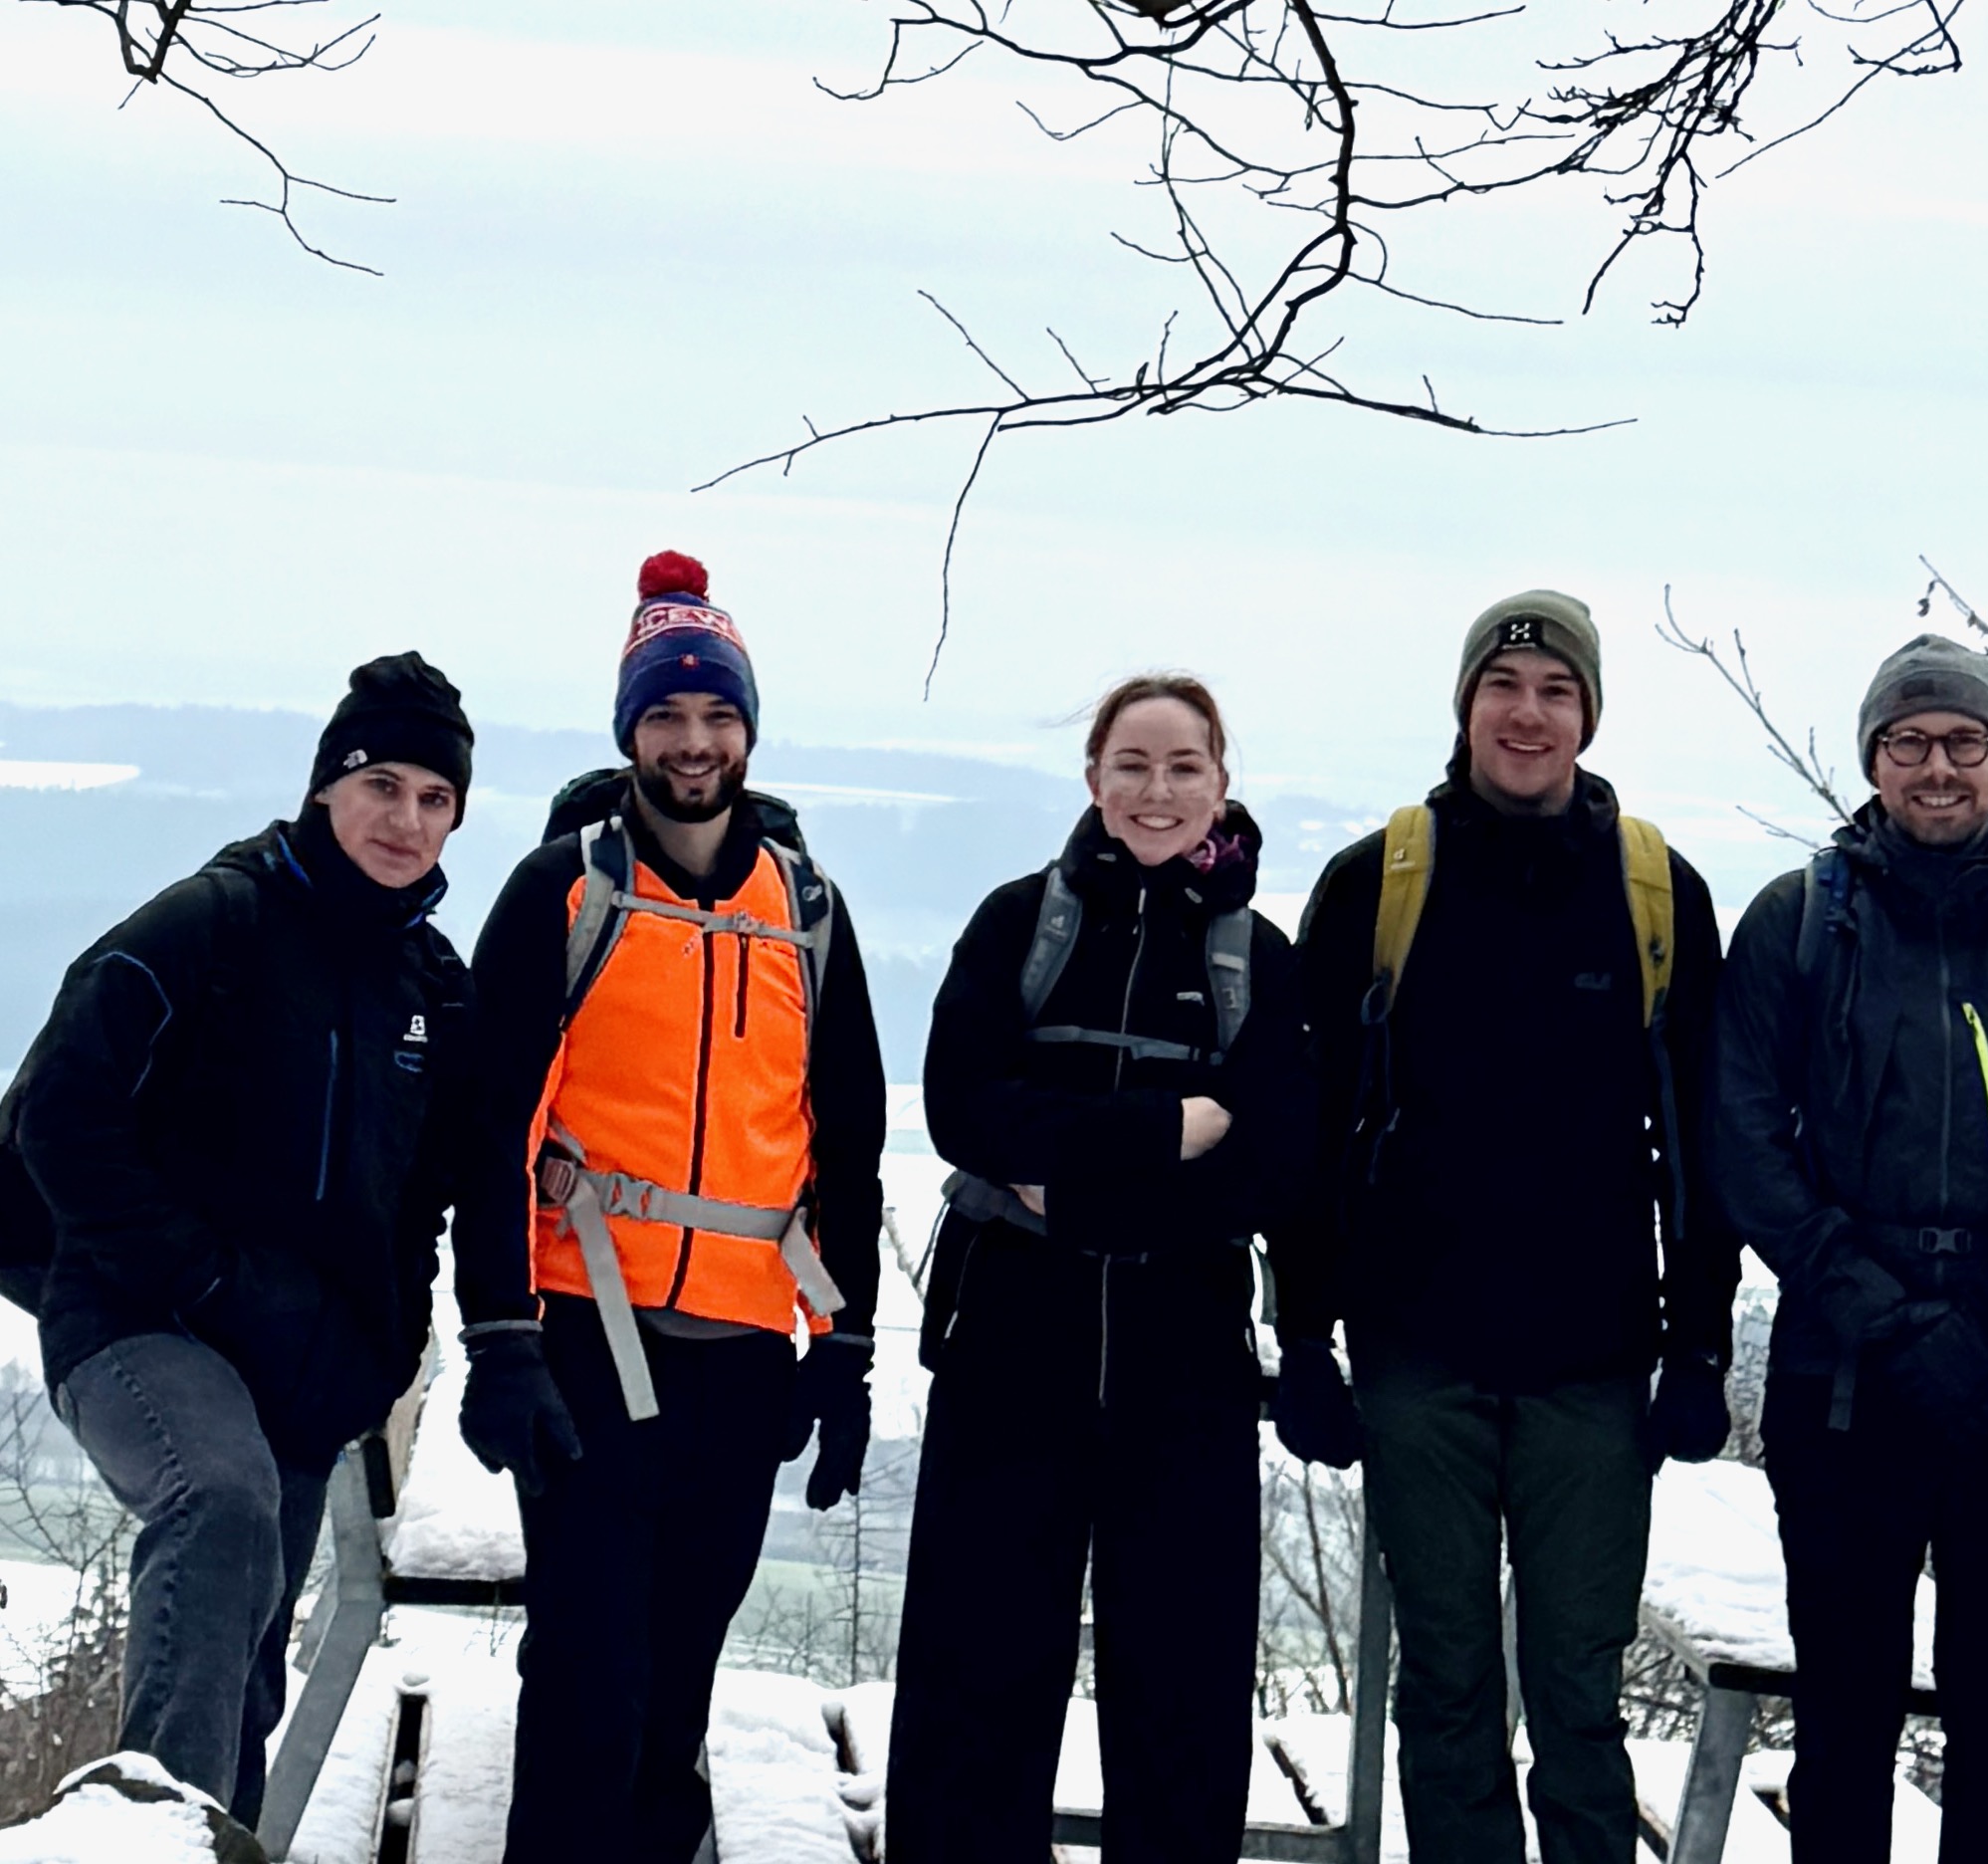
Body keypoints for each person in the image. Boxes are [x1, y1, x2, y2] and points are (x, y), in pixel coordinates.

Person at [1278, 591, 1733, 1864]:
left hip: (1595, 1361)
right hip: (1416, 1351)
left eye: (1555, 692)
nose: (1527, 715)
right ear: (1466, 703)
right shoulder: (1379, 882)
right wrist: (1302, 1339)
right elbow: (1311, 1134)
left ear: (1589, 715)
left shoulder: (1655, 893)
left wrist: (1699, 1347)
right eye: (1504, 687)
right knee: (1446, 1683)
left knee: (1580, 1693)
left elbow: (1705, 1143)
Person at [452, 552, 886, 1864]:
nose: (694, 742)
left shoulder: (806, 910)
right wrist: (499, 1336)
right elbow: (492, 1124)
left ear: (748, 729)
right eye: (666, 715)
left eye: (716, 714)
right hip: (587, 1329)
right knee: (590, 1676)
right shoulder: (564, 892)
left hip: (744, 1353)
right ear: (629, 730)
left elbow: (848, 1140)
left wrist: (847, 1351)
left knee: (678, 1679)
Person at [1711, 633, 1988, 1864]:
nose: (1938, 767)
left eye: (1966, 741)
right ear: (1873, 761)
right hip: (1845, 1374)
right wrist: (1862, 1297)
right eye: (1909, 741)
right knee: (1843, 1713)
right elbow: (1742, 1135)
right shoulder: (1801, 923)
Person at [7, 653, 478, 1828]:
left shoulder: (433, 990)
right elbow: (57, 1111)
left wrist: (383, 1347)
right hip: (140, 1321)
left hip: (302, 1367)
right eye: (382, 787)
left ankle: (218, 1839)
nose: (407, 820)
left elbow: (423, 1199)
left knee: (248, 1660)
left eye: (435, 798)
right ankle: (154, 1842)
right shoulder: (213, 922)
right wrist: (195, 1270)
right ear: (327, 788)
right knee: (220, 1505)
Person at [886, 673, 1316, 1863]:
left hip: (1185, 1358)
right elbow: (967, 1109)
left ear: (1220, 785)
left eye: (1183, 766)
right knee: (975, 1672)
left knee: (1183, 1688)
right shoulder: (1019, 925)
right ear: (1092, 779)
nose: (1156, 790)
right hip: (1011, 1338)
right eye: (1132, 764)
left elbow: (1274, 1165)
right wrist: (1166, 1130)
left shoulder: (1258, 960)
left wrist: (1067, 1180)